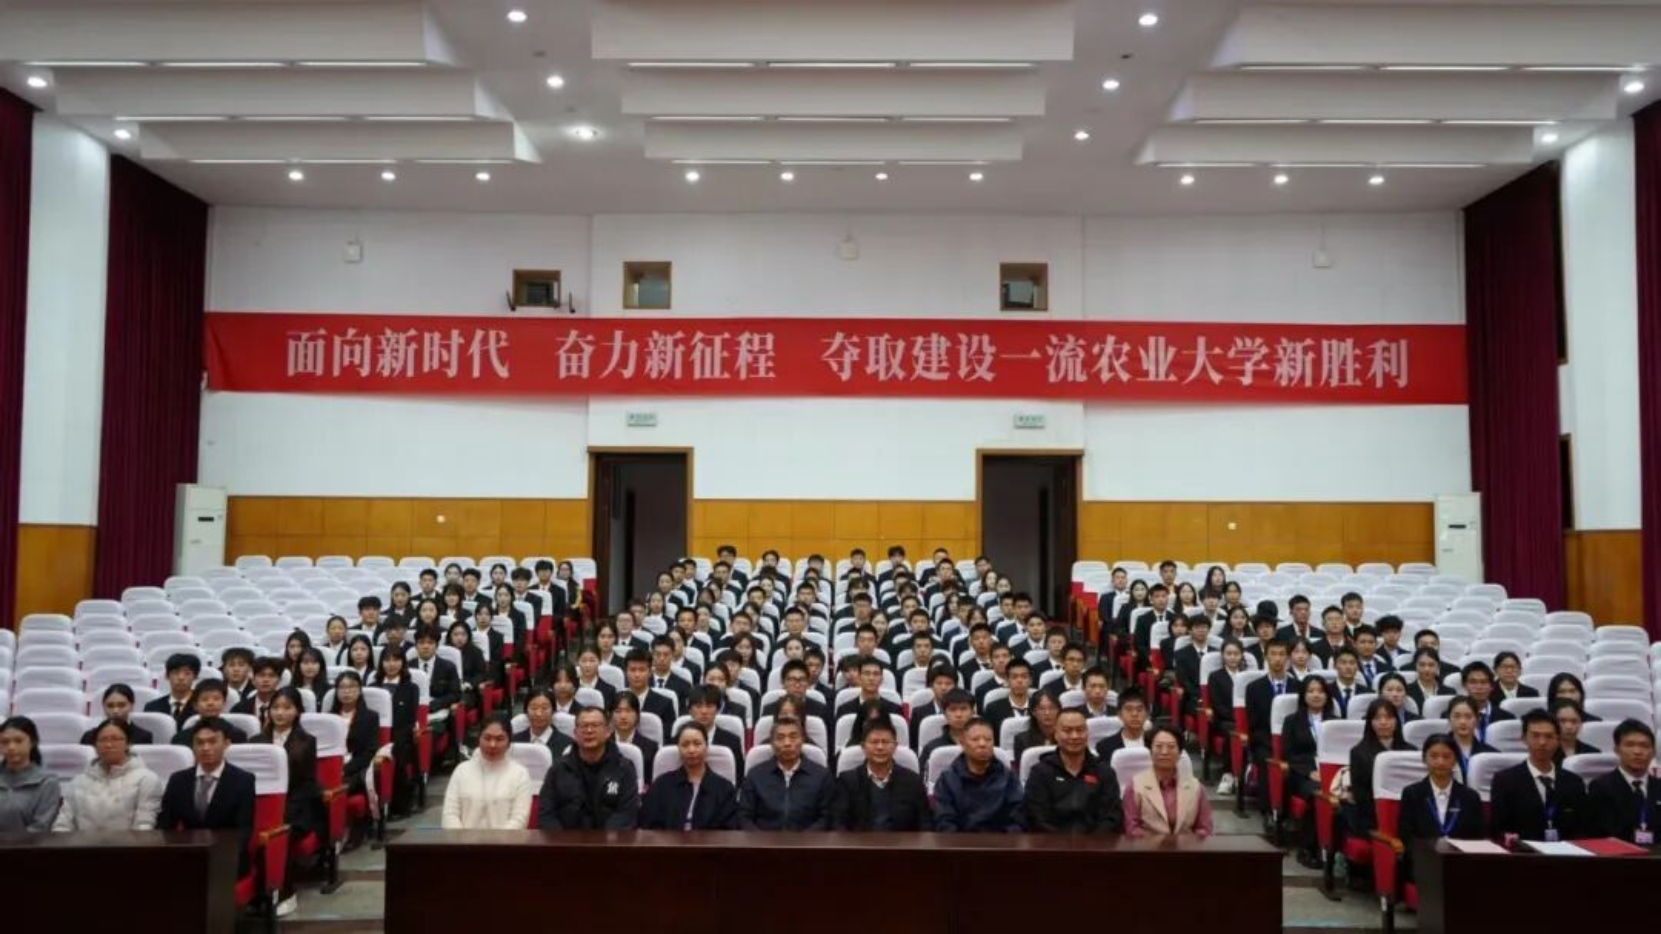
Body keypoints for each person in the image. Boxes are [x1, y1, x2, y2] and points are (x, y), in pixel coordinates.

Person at [157, 718, 256, 875]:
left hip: (226, 858)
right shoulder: (178, 780)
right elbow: (166, 826)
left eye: (212, 742)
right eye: (199, 743)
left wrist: (219, 856)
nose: (205, 748)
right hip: (187, 856)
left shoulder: (243, 780)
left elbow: (243, 831)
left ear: (226, 743)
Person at [261, 687, 320, 917]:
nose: (280, 713)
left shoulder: (307, 742)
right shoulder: (256, 741)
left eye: (287, 708)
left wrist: (283, 811)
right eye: (275, 707)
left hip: (297, 809)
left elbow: (307, 785)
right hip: (262, 807)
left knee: (280, 837)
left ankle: (286, 892)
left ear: (297, 711)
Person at [1489, 709, 1588, 842]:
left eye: (1549, 736)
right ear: (1524, 739)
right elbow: (1498, 829)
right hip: (1523, 851)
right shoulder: (1505, 781)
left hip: (1566, 852)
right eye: (1535, 736)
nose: (1542, 742)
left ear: (1558, 740)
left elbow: (1582, 829)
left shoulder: (1574, 782)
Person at [1397, 734, 1487, 881]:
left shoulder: (1470, 797)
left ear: (1455, 760)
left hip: (1461, 862)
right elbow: (1406, 835)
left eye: (1447, 756)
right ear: (1424, 758)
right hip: (1425, 862)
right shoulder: (1412, 793)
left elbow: (1478, 836)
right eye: (1434, 756)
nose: (1440, 762)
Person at [1024, 708, 1123, 834]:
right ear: (1056, 734)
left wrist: (1091, 842)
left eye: (1080, 730)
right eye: (1067, 730)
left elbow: (1111, 816)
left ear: (1087, 733)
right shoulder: (1040, 773)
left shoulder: (1104, 771)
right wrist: (1063, 843)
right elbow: (1036, 817)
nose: (1074, 736)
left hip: (1096, 843)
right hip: (1051, 843)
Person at [539, 707, 640, 830]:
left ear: (608, 731)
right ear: (575, 733)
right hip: (566, 839)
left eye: (595, 725)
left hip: (611, 840)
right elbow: (546, 813)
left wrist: (603, 840)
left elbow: (626, 814)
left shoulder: (624, 768)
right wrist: (562, 840)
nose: (589, 730)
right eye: (584, 726)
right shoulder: (558, 769)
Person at [53, 719, 163, 831]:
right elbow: (63, 824)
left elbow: (144, 825)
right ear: (95, 746)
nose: (109, 745)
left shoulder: (146, 779)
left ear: (128, 744)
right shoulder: (78, 781)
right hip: (82, 842)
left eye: (116, 739)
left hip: (129, 842)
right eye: (103, 740)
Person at [829, 718, 929, 831]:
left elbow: (925, 824)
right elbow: (838, 823)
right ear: (863, 747)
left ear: (895, 746)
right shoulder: (847, 781)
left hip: (902, 842)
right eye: (874, 742)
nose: (880, 747)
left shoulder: (912, 781)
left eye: (885, 742)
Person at [640, 723, 740, 830]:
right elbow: (648, 824)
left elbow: (728, 830)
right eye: (685, 745)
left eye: (697, 744)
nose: (691, 750)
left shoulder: (724, 789)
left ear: (706, 747)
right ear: (678, 748)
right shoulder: (661, 785)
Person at [739, 717, 833, 830]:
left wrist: (806, 839)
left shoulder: (821, 776)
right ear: (772, 743)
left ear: (802, 740)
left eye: (793, 737)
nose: (787, 743)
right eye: (780, 738)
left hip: (809, 839)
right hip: (763, 839)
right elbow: (744, 817)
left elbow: (826, 818)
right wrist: (761, 839)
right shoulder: (755, 776)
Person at [442, 714, 533, 830]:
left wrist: (496, 840)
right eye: (487, 738)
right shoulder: (461, 770)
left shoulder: (520, 774)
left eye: (499, 739)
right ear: (479, 739)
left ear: (509, 742)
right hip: (463, 840)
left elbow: (519, 819)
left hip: (506, 840)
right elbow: (450, 814)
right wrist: (462, 839)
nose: (492, 745)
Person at [933, 719, 1023, 833]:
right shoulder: (947, 779)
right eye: (975, 739)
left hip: (1001, 841)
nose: (982, 744)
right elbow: (944, 822)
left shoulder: (1008, 778)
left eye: (988, 740)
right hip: (959, 842)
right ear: (963, 743)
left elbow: (1018, 820)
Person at [1124, 725, 1213, 837]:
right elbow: (1132, 829)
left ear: (1180, 753)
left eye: (1171, 747)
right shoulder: (1135, 786)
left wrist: (1189, 842)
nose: (1165, 752)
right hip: (1147, 846)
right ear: (1150, 751)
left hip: (1187, 846)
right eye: (1159, 746)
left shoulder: (1196, 787)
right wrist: (1162, 843)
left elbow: (1204, 828)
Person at [1346, 699, 1413, 838]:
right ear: (1370, 722)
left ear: (1397, 721)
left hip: (1407, 815)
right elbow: (1361, 796)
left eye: (1388, 717)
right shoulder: (1358, 752)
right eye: (1377, 718)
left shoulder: (1411, 751)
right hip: (1373, 818)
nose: (1383, 722)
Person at [1586, 719, 1660, 844]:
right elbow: (1601, 834)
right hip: (1618, 854)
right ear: (1617, 749)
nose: (1637, 751)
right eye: (1630, 745)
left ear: (1653, 752)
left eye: (1644, 746)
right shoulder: (1601, 787)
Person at [371, 647, 420, 818]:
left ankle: (399, 805)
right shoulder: (373, 687)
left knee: (397, 750)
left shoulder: (411, 688)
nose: (391, 664)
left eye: (396, 660)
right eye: (387, 660)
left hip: (401, 735)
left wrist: (390, 741)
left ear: (403, 663)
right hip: (375, 735)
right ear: (381, 663)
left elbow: (410, 719)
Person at [0, 717, 61, 831]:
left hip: (29, 842)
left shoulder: (47, 782)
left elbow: (41, 826)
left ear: (32, 742)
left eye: (18, 741)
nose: (11, 747)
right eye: (5, 742)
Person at [1208, 640, 1248, 796]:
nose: (1232, 657)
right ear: (1223, 656)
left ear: (1242, 655)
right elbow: (1218, 705)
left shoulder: (1248, 676)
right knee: (1232, 730)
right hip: (1225, 720)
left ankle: (1248, 774)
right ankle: (1228, 774)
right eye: (1229, 654)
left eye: (1236, 654)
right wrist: (1238, 720)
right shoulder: (1215, 676)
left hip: (1247, 720)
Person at [685, 685, 745, 782]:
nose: (704, 711)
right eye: (698, 706)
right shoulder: (677, 741)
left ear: (718, 709)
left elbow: (739, 778)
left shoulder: (732, 741)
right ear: (690, 710)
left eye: (709, 706)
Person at [173, 680, 249, 746]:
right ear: (195, 705)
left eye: (216, 699)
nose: (210, 703)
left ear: (224, 703)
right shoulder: (181, 739)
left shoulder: (238, 736)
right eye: (205, 699)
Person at [1457, 661, 1514, 742]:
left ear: (1491, 686)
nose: (1479, 687)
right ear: (1464, 685)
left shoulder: (1506, 719)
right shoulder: (1452, 716)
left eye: (1483, 682)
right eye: (1473, 682)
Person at [80, 684, 154, 746]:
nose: (115, 711)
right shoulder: (89, 737)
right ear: (103, 706)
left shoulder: (144, 737)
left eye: (121, 705)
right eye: (110, 706)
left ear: (132, 706)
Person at [1445, 697, 1497, 783]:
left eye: (1468, 717)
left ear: (1478, 719)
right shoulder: (1438, 752)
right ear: (1449, 719)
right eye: (1457, 716)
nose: (1462, 722)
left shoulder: (1490, 754)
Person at [145, 653, 202, 729]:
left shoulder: (203, 707)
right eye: (175, 673)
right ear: (166, 676)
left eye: (187, 673)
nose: (181, 678)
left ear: (195, 677)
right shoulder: (152, 707)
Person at [610, 692, 659, 779]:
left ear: (637, 715)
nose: (623, 716)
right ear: (611, 716)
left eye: (628, 711)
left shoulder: (651, 748)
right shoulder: (602, 744)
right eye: (618, 711)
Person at [514, 689, 573, 758]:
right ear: (526, 711)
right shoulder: (515, 741)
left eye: (544, 708)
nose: (538, 714)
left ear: (553, 711)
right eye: (534, 708)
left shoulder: (567, 744)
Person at [1096, 687, 1150, 759]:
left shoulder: (1155, 743)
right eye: (1129, 709)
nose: (1134, 714)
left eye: (1139, 709)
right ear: (1119, 714)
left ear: (1147, 714)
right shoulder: (1105, 747)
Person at [232, 656, 284, 728]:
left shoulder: (287, 708)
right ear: (253, 679)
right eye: (261, 675)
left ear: (279, 680)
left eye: (271, 676)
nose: (266, 680)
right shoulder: (239, 709)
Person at [1012, 690, 1062, 762]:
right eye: (1041, 709)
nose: (1047, 713)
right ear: (1033, 712)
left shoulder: (1065, 737)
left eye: (1052, 708)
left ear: (1059, 711)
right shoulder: (1022, 740)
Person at [1406, 648, 1454, 712]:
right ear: (1415, 666)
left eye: (1431, 665)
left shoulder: (1449, 692)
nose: (1427, 669)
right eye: (1422, 665)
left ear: (1438, 666)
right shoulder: (1407, 691)